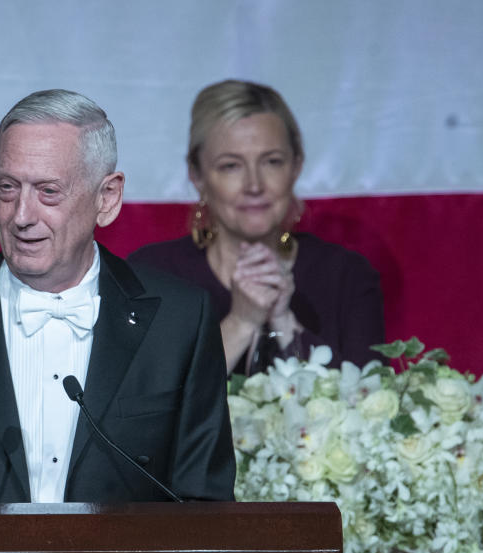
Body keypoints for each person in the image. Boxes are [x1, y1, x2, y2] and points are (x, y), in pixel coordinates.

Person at [0, 89, 235, 504]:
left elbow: (204, 508)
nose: (21, 215)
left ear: (106, 199)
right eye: (8, 188)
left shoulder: (178, 322)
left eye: (47, 191)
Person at [130, 80, 384, 374]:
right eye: (230, 166)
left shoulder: (346, 275)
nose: (254, 185)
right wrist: (242, 321)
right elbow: (149, 408)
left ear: (296, 167)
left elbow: (367, 405)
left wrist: (285, 322)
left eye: (272, 162)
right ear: (197, 175)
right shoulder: (151, 275)